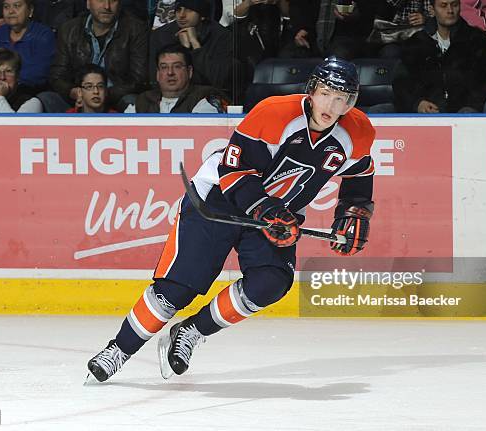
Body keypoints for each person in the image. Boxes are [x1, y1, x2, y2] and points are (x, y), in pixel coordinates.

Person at [87, 56, 376, 383]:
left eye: (341, 99)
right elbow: (234, 170)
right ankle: (118, 350)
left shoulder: (358, 131)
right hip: (220, 198)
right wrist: (266, 209)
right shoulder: (274, 113)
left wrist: (353, 213)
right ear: (312, 91)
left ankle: (192, 331)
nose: (331, 104)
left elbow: (359, 175)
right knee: (176, 290)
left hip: (276, 213)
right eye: (326, 93)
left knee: (271, 282)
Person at [40, 0, 148, 112]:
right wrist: (74, 92)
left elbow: (138, 80)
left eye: (113, 1)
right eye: (100, 0)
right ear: (88, 3)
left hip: (116, 99)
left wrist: (101, 93)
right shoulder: (69, 29)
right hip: (78, 97)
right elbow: (57, 76)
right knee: (45, 99)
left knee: (133, 101)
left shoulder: (136, 29)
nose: (107, 6)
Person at [392, 0, 486, 113]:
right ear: (432, 10)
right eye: (443, 5)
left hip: (467, 116)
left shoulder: (479, 41)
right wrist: (417, 103)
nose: (450, 10)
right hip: (426, 116)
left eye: (454, 5)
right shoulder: (415, 44)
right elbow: (402, 83)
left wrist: (471, 107)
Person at [0, 0, 55, 95]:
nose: (11, 11)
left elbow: (40, 71)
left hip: (29, 95)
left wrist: (8, 86)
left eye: (17, 6)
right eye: (6, 7)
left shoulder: (43, 35)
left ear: (30, 10)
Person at [149, 0, 233, 92]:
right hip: (171, 94)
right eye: (178, 10)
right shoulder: (161, 35)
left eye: (189, 10)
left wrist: (195, 45)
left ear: (202, 16)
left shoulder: (221, 36)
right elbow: (155, 77)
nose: (181, 15)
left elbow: (219, 79)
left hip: (208, 95)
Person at [125, 44, 228, 113]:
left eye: (177, 66)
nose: (170, 73)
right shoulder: (143, 101)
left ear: (189, 71)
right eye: (164, 67)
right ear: (157, 73)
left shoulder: (204, 98)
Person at [280, 0, 376, 59]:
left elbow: (371, 10)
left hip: (348, 35)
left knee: (337, 57)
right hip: (311, 34)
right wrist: (301, 28)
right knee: (286, 57)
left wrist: (357, 13)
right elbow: (297, 6)